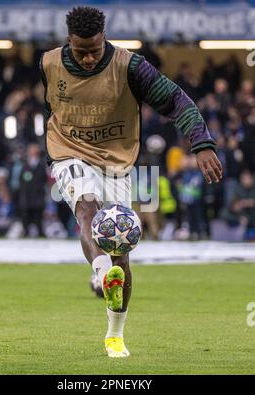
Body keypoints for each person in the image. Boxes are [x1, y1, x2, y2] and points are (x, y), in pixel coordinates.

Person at [40, 6, 223, 358]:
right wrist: (53, 148)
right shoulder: (48, 63)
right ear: (68, 42)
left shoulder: (131, 66)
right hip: (69, 152)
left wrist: (201, 143)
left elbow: (175, 99)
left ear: (104, 37)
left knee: (121, 248)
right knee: (86, 208)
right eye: (81, 51)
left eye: (95, 48)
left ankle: (115, 333)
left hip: (118, 159)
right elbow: (51, 109)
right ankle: (99, 273)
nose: (90, 58)